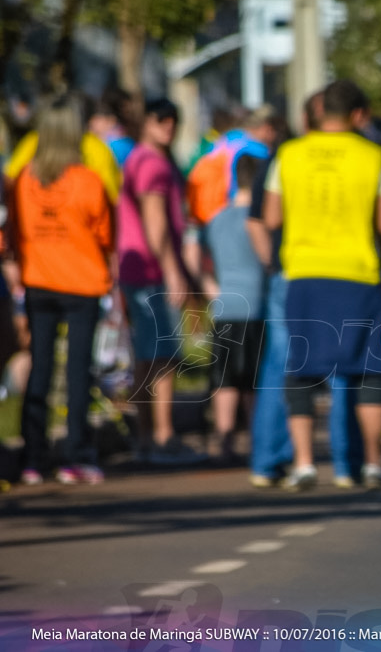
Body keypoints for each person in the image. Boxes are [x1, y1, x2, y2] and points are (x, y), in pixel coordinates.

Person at [262, 79, 381, 491]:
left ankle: (304, 464)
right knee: (370, 370)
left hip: (304, 273)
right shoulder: (374, 156)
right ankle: (372, 463)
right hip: (358, 274)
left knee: (301, 369)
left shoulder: (288, 153)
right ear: (358, 115)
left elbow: (270, 217)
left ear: (320, 111)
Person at [8, 96, 114, 484]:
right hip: (82, 282)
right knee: (77, 371)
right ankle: (75, 457)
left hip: (38, 282)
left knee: (39, 368)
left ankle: (33, 459)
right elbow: (105, 234)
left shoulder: (23, 179)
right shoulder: (87, 180)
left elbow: (14, 234)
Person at [118, 98, 200, 465]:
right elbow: (156, 224)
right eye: (161, 120)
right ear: (146, 122)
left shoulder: (138, 159)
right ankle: (162, 438)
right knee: (162, 356)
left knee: (147, 357)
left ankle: (146, 438)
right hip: (150, 271)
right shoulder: (151, 163)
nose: (168, 127)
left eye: (173, 120)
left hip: (137, 270)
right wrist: (173, 269)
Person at [246, 92, 321, 488]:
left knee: (286, 363)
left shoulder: (283, 158)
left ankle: (276, 458)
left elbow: (258, 219)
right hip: (308, 273)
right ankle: (280, 457)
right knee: (290, 363)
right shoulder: (287, 158)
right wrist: (275, 265)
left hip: (295, 273)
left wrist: (273, 264)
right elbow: (259, 219)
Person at [197, 153, 267, 463]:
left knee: (224, 377)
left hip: (225, 307)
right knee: (254, 380)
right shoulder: (260, 219)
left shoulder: (216, 218)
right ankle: (256, 440)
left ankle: (224, 440)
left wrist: (208, 286)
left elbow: (195, 253)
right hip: (257, 307)